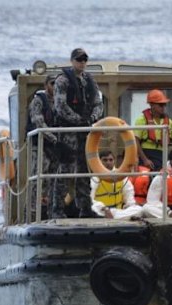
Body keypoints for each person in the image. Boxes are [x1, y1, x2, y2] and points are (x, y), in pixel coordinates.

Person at [51, 48, 103, 218]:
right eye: (79, 59)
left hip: (85, 131)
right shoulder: (62, 80)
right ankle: (57, 209)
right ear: (72, 60)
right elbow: (60, 106)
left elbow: (98, 103)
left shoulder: (89, 80)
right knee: (65, 170)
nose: (82, 62)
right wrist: (78, 120)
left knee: (83, 170)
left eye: (85, 59)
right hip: (68, 132)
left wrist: (92, 119)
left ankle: (85, 208)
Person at [27, 74, 59, 219]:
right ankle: (33, 211)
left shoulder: (61, 102)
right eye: (53, 83)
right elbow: (39, 122)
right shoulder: (38, 101)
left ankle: (53, 210)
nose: (55, 87)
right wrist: (54, 138)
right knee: (38, 178)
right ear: (46, 85)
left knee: (55, 178)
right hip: (40, 146)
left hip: (55, 148)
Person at [90, 151, 142, 220]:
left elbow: (129, 195)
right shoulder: (95, 177)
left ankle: (119, 217)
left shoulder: (121, 176)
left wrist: (130, 205)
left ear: (114, 161)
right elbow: (90, 198)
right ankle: (124, 218)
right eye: (105, 160)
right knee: (93, 208)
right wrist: (103, 208)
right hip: (102, 211)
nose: (108, 162)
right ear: (100, 161)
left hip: (118, 212)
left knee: (139, 209)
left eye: (110, 160)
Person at [142, 148, 172, 218]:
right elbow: (152, 201)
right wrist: (170, 212)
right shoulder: (161, 177)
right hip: (165, 212)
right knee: (146, 208)